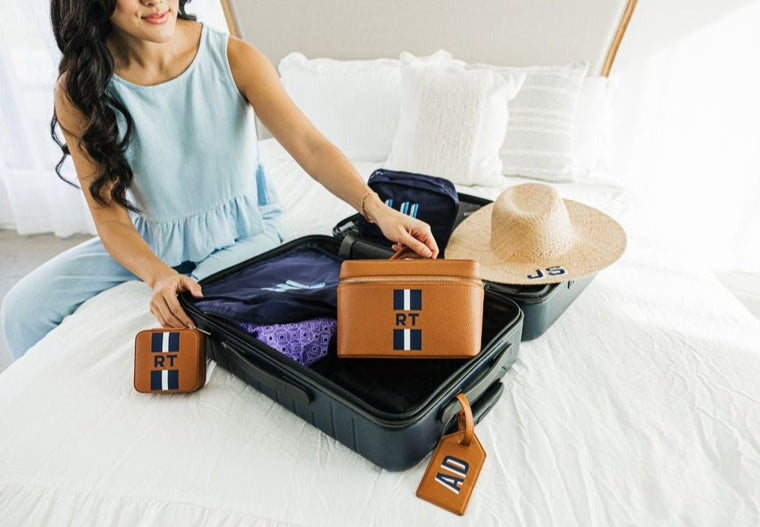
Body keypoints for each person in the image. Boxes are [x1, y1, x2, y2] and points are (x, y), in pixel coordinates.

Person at [0, 0, 438, 360]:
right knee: (21, 310)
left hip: (242, 234)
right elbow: (109, 215)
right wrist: (157, 276)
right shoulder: (80, 90)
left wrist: (378, 210)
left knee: (200, 320)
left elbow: (309, 145)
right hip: (152, 240)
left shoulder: (233, 57)